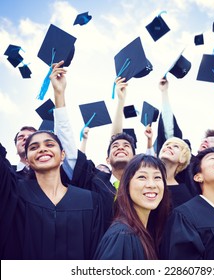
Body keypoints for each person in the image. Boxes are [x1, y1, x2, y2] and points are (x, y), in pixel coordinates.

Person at [0, 130, 113, 259]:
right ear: (27, 159)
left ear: (62, 154)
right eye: (34, 147)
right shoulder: (13, 193)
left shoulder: (90, 201)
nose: (42, 149)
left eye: (49, 145)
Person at [51, 62, 136, 194]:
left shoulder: (142, 186)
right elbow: (68, 148)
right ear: (107, 159)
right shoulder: (95, 182)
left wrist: (121, 101)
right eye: (115, 146)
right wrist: (59, 94)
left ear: (135, 158)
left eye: (126, 146)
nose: (120, 147)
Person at [156, 78, 214, 199]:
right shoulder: (188, 163)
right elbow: (171, 133)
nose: (206, 141)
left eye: (213, 142)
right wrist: (164, 93)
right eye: (206, 139)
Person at [94, 154, 170, 260]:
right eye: (142, 177)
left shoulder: (149, 231)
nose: (152, 185)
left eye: (157, 177)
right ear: (126, 185)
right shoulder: (122, 236)